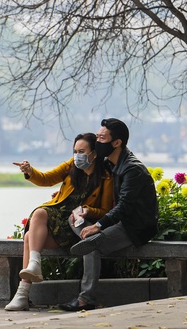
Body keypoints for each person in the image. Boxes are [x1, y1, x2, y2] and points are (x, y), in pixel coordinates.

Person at [4, 132, 114, 311]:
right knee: (38, 216)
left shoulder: (106, 176)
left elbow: (106, 211)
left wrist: (88, 211)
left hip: (76, 227)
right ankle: (27, 283)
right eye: (75, 151)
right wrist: (30, 172)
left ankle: (23, 293)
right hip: (57, 216)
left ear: (94, 153)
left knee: (29, 237)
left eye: (82, 151)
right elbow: (47, 179)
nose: (78, 156)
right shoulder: (71, 166)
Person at [58, 118, 158, 312]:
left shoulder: (132, 169)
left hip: (134, 225)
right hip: (117, 221)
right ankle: (90, 238)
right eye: (96, 137)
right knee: (75, 218)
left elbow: (124, 207)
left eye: (101, 138)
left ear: (117, 143)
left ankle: (85, 299)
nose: (97, 142)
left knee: (91, 247)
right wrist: (80, 209)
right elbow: (83, 174)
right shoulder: (108, 163)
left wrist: (98, 225)